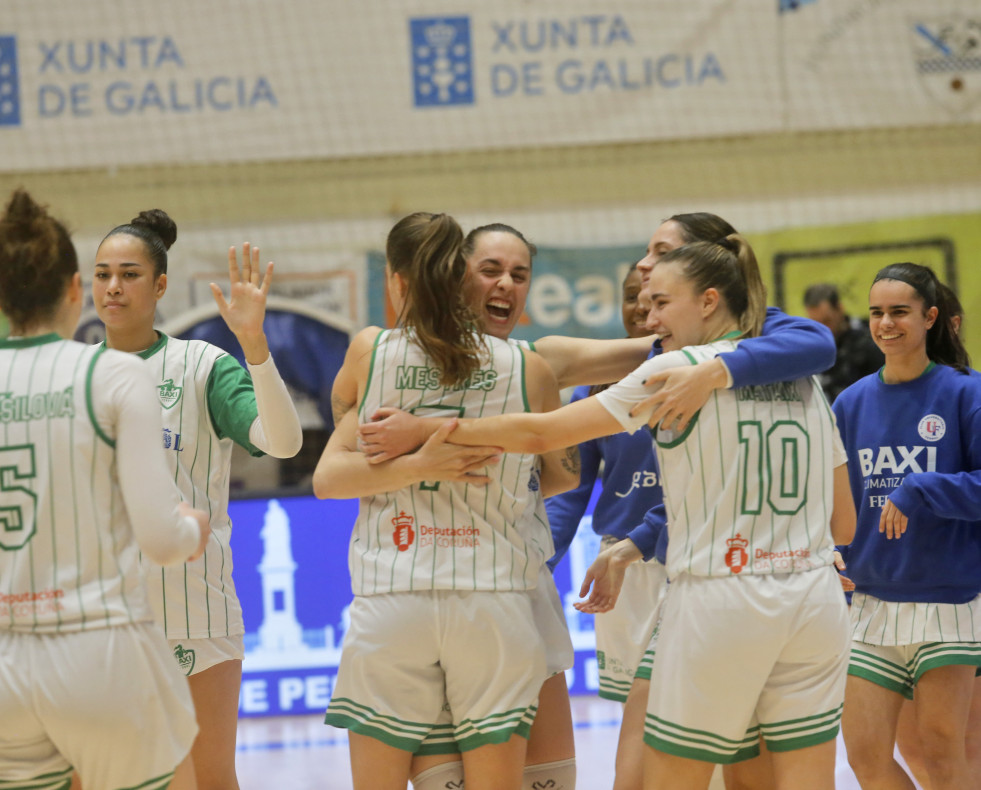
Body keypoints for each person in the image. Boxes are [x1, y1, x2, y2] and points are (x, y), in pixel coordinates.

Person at [408, 233, 855, 790]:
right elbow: (844, 524)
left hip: (722, 597)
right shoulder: (806, 380)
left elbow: (539, 431)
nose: (649, 321)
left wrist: (427, 429)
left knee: (654, 779)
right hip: (814, 601)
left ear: (710, 301)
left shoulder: (675, 369)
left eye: (661, 304)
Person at [313, 212, 568, 790]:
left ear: (395, 279)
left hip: (393, 591)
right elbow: (565, 475)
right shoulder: (526, 366)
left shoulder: (370, 353)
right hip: (494, 596)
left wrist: (413, 465)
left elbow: (331, 478)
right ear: (464, 280)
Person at [0, 189, 211, 789]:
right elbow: (163, 540)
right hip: (99, 650)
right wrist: (193, 527)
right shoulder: (114, 373)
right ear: (74, 288)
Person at [91, 211, 303, 789]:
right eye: (103, 273)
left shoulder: (201, 367)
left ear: (160, 285)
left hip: (194, 616)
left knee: (205, 778)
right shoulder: (76, 376)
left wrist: (254, 345)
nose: (113, 286)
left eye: (129, 274)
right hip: (100, 618)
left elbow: (282, 442)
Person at [832, 263, 981, 790]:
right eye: (876, 313)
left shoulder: (966, 393)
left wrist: (921, 487)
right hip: (870, 604)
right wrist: (828, 547)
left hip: (950, 603)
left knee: (943, 755)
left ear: (930, 317)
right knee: (866, 757)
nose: (886, 323)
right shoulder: (849, 403)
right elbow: (830, 498)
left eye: (899, 312)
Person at [804, 282, 884, 402]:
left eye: (827, 321)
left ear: (840, 308)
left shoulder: (870, 341)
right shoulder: (809, 349)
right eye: (815, 323)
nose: (822, 329)